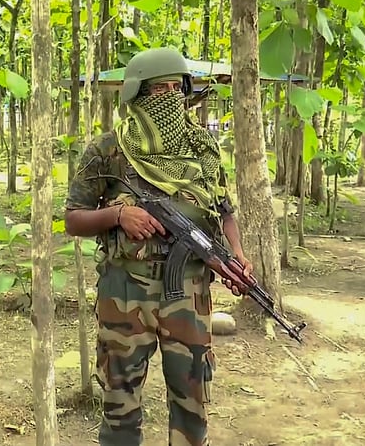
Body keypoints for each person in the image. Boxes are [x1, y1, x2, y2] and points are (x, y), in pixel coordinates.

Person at [64, 47, 253, 446]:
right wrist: (118, 216)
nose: (169, 96)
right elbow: (73, 218)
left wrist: (235, 254)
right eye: (158, 89)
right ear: (137, 94)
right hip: (125, 291)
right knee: (120, 403)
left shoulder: (202, 148)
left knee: (192, 401)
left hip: (189, 291)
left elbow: (225, 211)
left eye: (175, 87)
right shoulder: (107, 151)